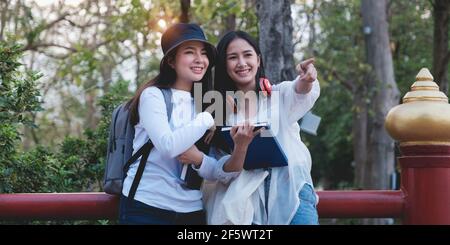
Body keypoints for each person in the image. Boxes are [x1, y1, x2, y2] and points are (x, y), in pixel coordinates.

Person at [119, 23, 253, 225]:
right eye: (190, 52)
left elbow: (217, 171)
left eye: (204, 53)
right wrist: (209, 116)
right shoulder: (154, 96)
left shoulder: (204, 102)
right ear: (171, 61)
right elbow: (168, 145)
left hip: (191, 212)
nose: (200, 60)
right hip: (146, 207)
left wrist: (199, 159)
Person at [203, 31, 320, 225]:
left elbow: (299, 92)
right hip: (248, 204)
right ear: (224, 65)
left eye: (247, 55)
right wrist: (240, 147)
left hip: (292, 190)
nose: (241, 63)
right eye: (233, 57)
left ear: (258, 60)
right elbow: (219, 170)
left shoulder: (278, 95)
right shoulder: (218, 114)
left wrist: (307, 79)